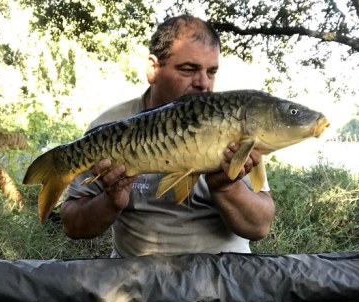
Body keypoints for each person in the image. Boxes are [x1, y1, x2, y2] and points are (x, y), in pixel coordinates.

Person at [60, 15, 275, 257]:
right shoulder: (110, 127)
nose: (203, 83)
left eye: (211, 71)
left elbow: (260, 226)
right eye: (188, 69)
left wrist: (227, 188)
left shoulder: (231, 123)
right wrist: (110, 202)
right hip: (136, 275)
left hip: (222, 273)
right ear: (153, 69)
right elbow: (72, 225)